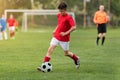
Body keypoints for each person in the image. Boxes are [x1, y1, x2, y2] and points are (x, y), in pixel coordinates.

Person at [37, 2, 80, 71]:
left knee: (66, 53)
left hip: (65, 39)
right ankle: (44, 66)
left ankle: (76, 58)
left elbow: (74, 27)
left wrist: (65, 33)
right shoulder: (59, 15)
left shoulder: (69, 18)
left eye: (62, 11)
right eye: (59, 11)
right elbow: (59, 24)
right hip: (57, 36)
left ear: (65, 10)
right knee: (50, 49)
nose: (60, 12)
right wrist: (55, 30)